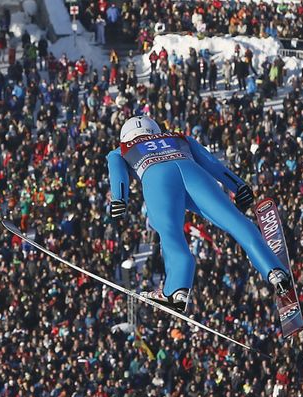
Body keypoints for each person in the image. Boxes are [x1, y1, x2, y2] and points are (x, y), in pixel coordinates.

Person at [106, 116, 290, 313]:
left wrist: (120, 198)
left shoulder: (123, 148)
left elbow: (117, 168)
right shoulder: (178, 137)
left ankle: (177, 290)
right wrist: (238, 185)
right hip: (192, 171)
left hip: (156, 176)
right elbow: (212, 162)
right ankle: (274, 270)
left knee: (171, 233)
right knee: (235, 221)